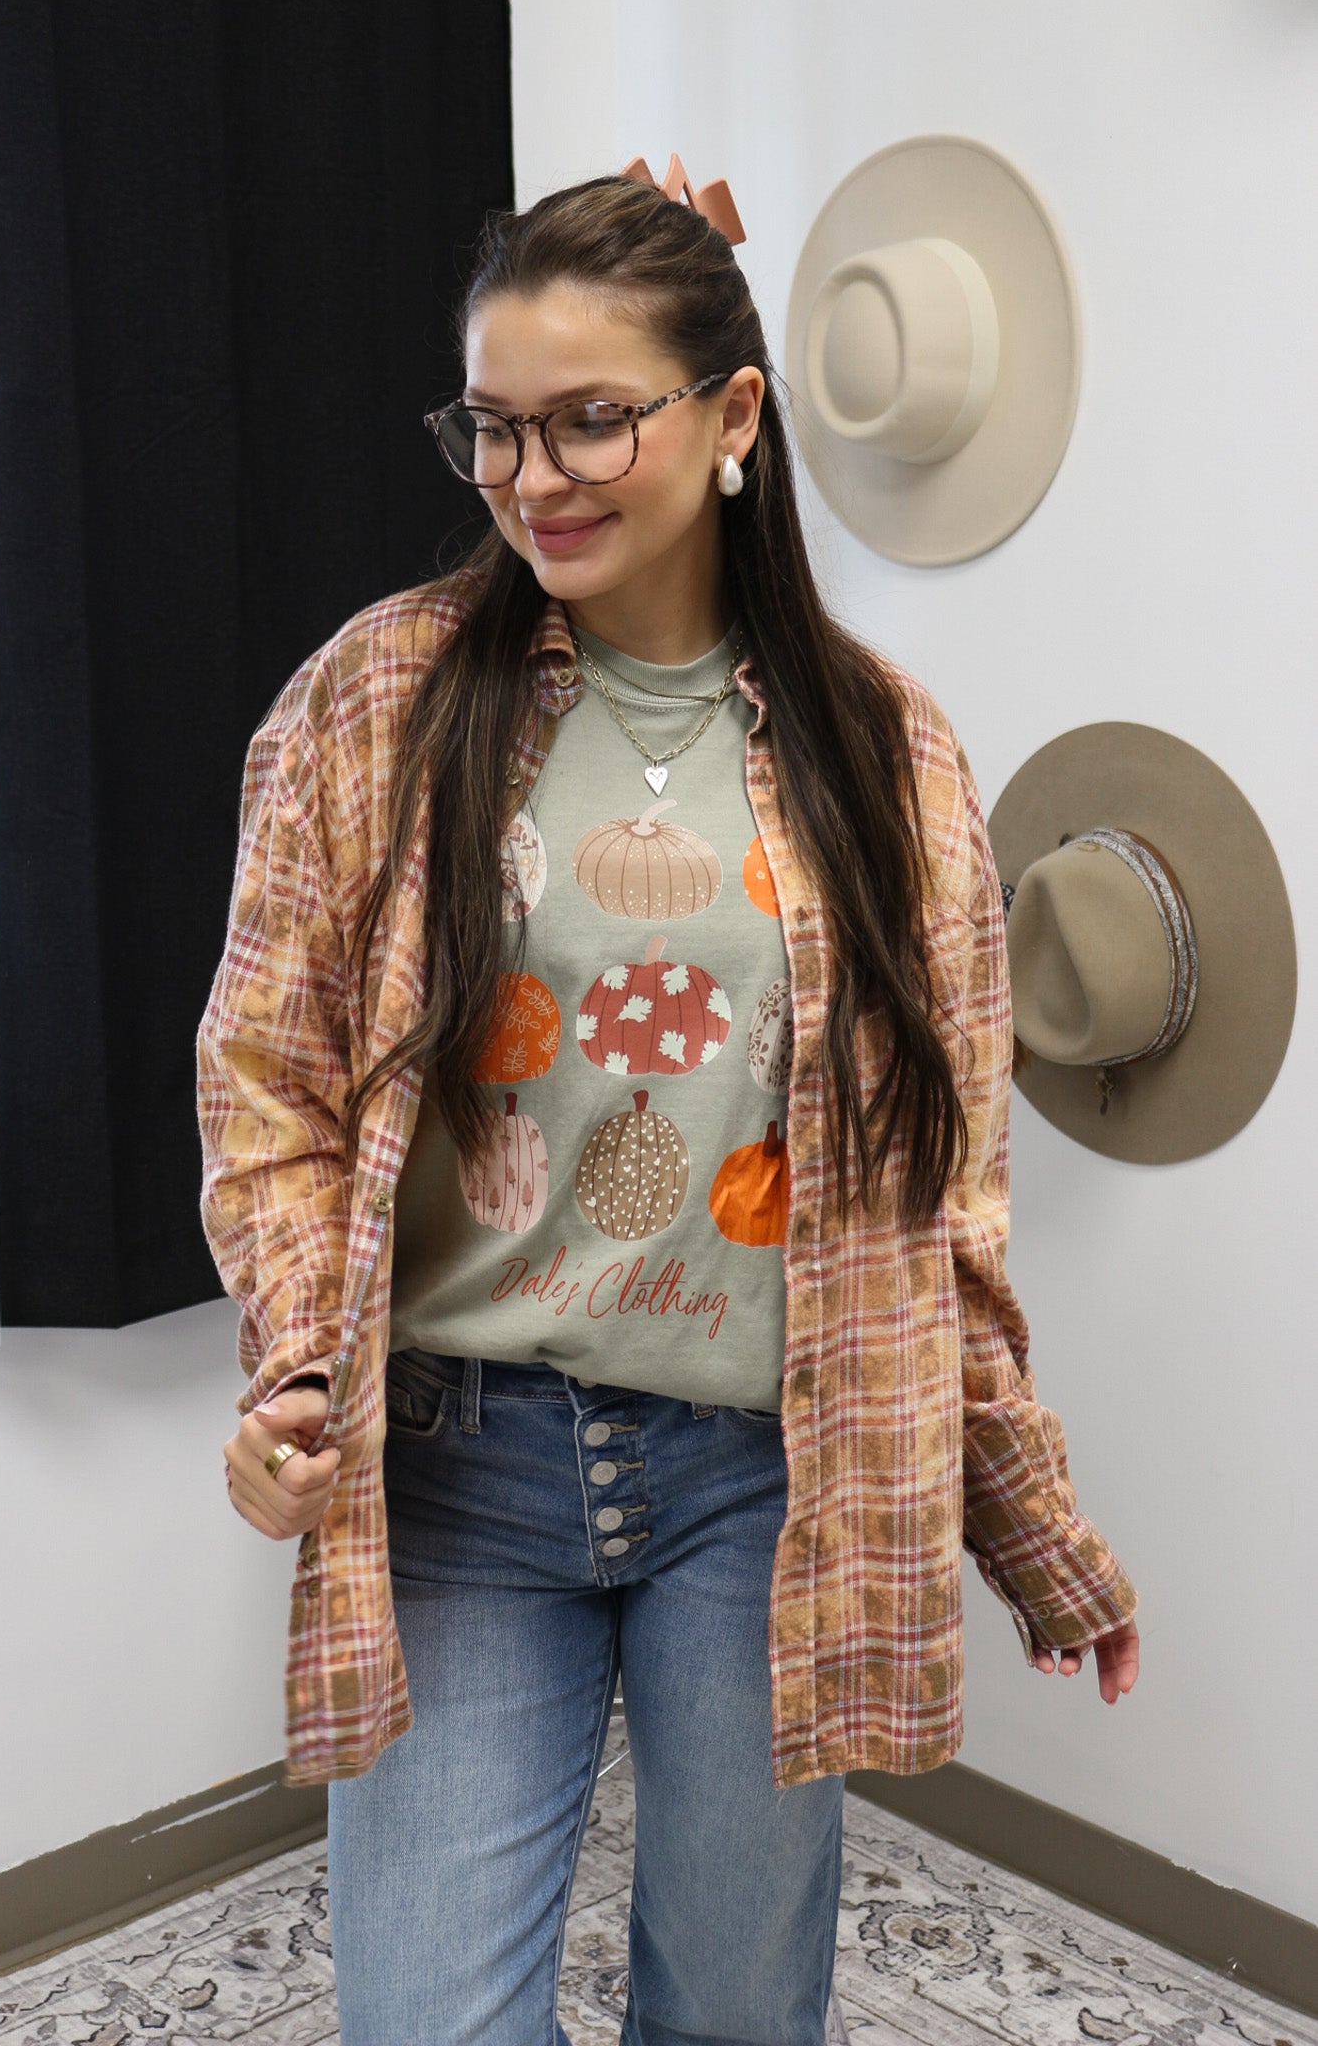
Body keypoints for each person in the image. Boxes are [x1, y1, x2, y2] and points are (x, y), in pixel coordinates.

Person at [200, 161, 1141, 2046]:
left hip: (768, 1477)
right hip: (461, 1470)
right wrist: (298, 1361)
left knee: (732, 2013)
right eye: (493, 424)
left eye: (590, 418)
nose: (531, 476)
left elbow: (940, 1197)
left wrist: (1030, 1524)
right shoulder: (371, 703)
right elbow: (268, 1085)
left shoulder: (888, 752)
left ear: (731, 419)